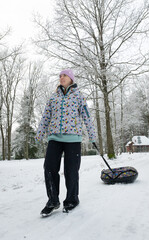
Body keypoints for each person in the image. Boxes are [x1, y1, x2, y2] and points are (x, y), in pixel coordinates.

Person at [35, 69, 96, 217]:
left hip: (73, 139)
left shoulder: (79, 96)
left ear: (71, 79)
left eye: (64, 76)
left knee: (71, 171)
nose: (61, 78)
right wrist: (40, 133)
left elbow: (86, 117)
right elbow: (45, 117)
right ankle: (53, 200)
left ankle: (72, 200)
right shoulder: (53, 97)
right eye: (60, 76)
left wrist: (92, 136)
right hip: (54, 138)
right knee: (49, 168)